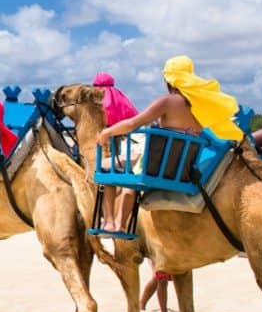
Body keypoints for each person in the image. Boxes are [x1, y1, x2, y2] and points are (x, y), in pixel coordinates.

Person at [95, 56, 242, 237]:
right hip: (180, 170)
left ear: (169, 79)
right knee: (130, 179)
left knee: (106, 166)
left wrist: (106, 134)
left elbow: (132, 124)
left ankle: (110, 223)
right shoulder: (200, 108)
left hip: (155, 168)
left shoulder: (166, 102)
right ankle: (120, 224)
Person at [91, 72, 139, 233]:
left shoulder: (97, 98)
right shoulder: (120, 97)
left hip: (105, 138)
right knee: (117, 162)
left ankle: (108, 220)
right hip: (122, 138)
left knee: (107, 168)